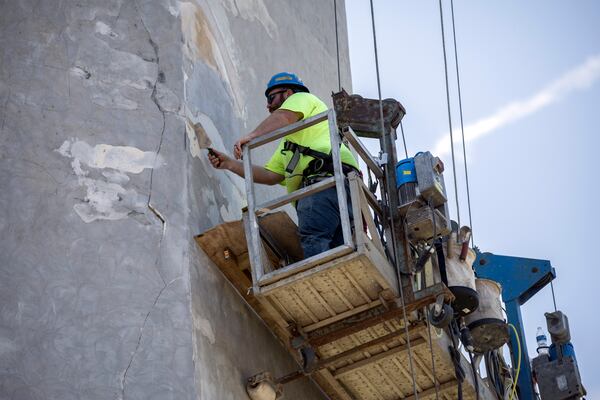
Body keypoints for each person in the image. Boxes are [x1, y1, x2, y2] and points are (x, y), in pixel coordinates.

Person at [208, 72, 359, 258]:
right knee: (340, 254)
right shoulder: (293, 141)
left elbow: (283, 117)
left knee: (315, 243)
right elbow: (271, 175)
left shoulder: (301, 98)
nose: (268, 105)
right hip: (341, 187)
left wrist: (252, 136)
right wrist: (229, 164)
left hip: (322, 185)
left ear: (288, 94)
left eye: (272, 97)